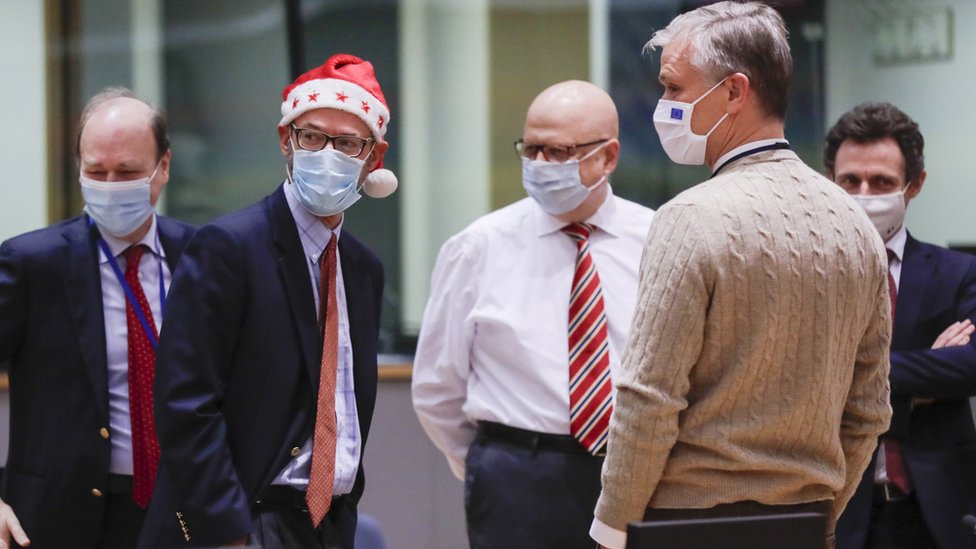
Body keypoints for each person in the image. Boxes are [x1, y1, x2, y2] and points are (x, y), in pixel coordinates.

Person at [589, 3, 893, 548]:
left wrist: (611, 530)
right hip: (805, 524)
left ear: (734, 92)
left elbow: (649, 399)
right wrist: (822, 515)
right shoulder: (856, 225)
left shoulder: (690, 218)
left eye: (675, 89)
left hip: (688, 524)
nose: (663, 106)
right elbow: (869, 411)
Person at [136, 53, 395, 549]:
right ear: (286, 141)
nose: (327, 154)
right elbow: (185, 405)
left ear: (373, 158)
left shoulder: (363, 269)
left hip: (328, 526)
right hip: (242, 523)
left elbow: (346, 407)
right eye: (313, 136)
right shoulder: (228, 248)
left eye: (347, 143)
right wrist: (228, 531)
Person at [412, 80, 654, 549]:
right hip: (519, 477)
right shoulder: (478, 246)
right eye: (532, 149)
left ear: (608, 157)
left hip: (633, 472)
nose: (541, 165)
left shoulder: (659, 239)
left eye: (559, 152)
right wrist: (494, 462)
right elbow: (437, 389)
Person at [0, 87, 196, 549]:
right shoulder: (32, 263)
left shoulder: (201, 256)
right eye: (95, 171)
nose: (110, 184)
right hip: (56, 518)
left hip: (180, 511)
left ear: (163, 167)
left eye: (127, 172)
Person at [825, 102, 976, 549]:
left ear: (915, 185)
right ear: (829, 181)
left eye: (883, 182)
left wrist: (853, 375)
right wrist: (927, 370)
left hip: (938, 513)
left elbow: (970, 366)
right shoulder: (804, 275)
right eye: (851, 180)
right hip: (838, 508)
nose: (865, 192)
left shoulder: (958, 273)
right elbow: (798, 376)